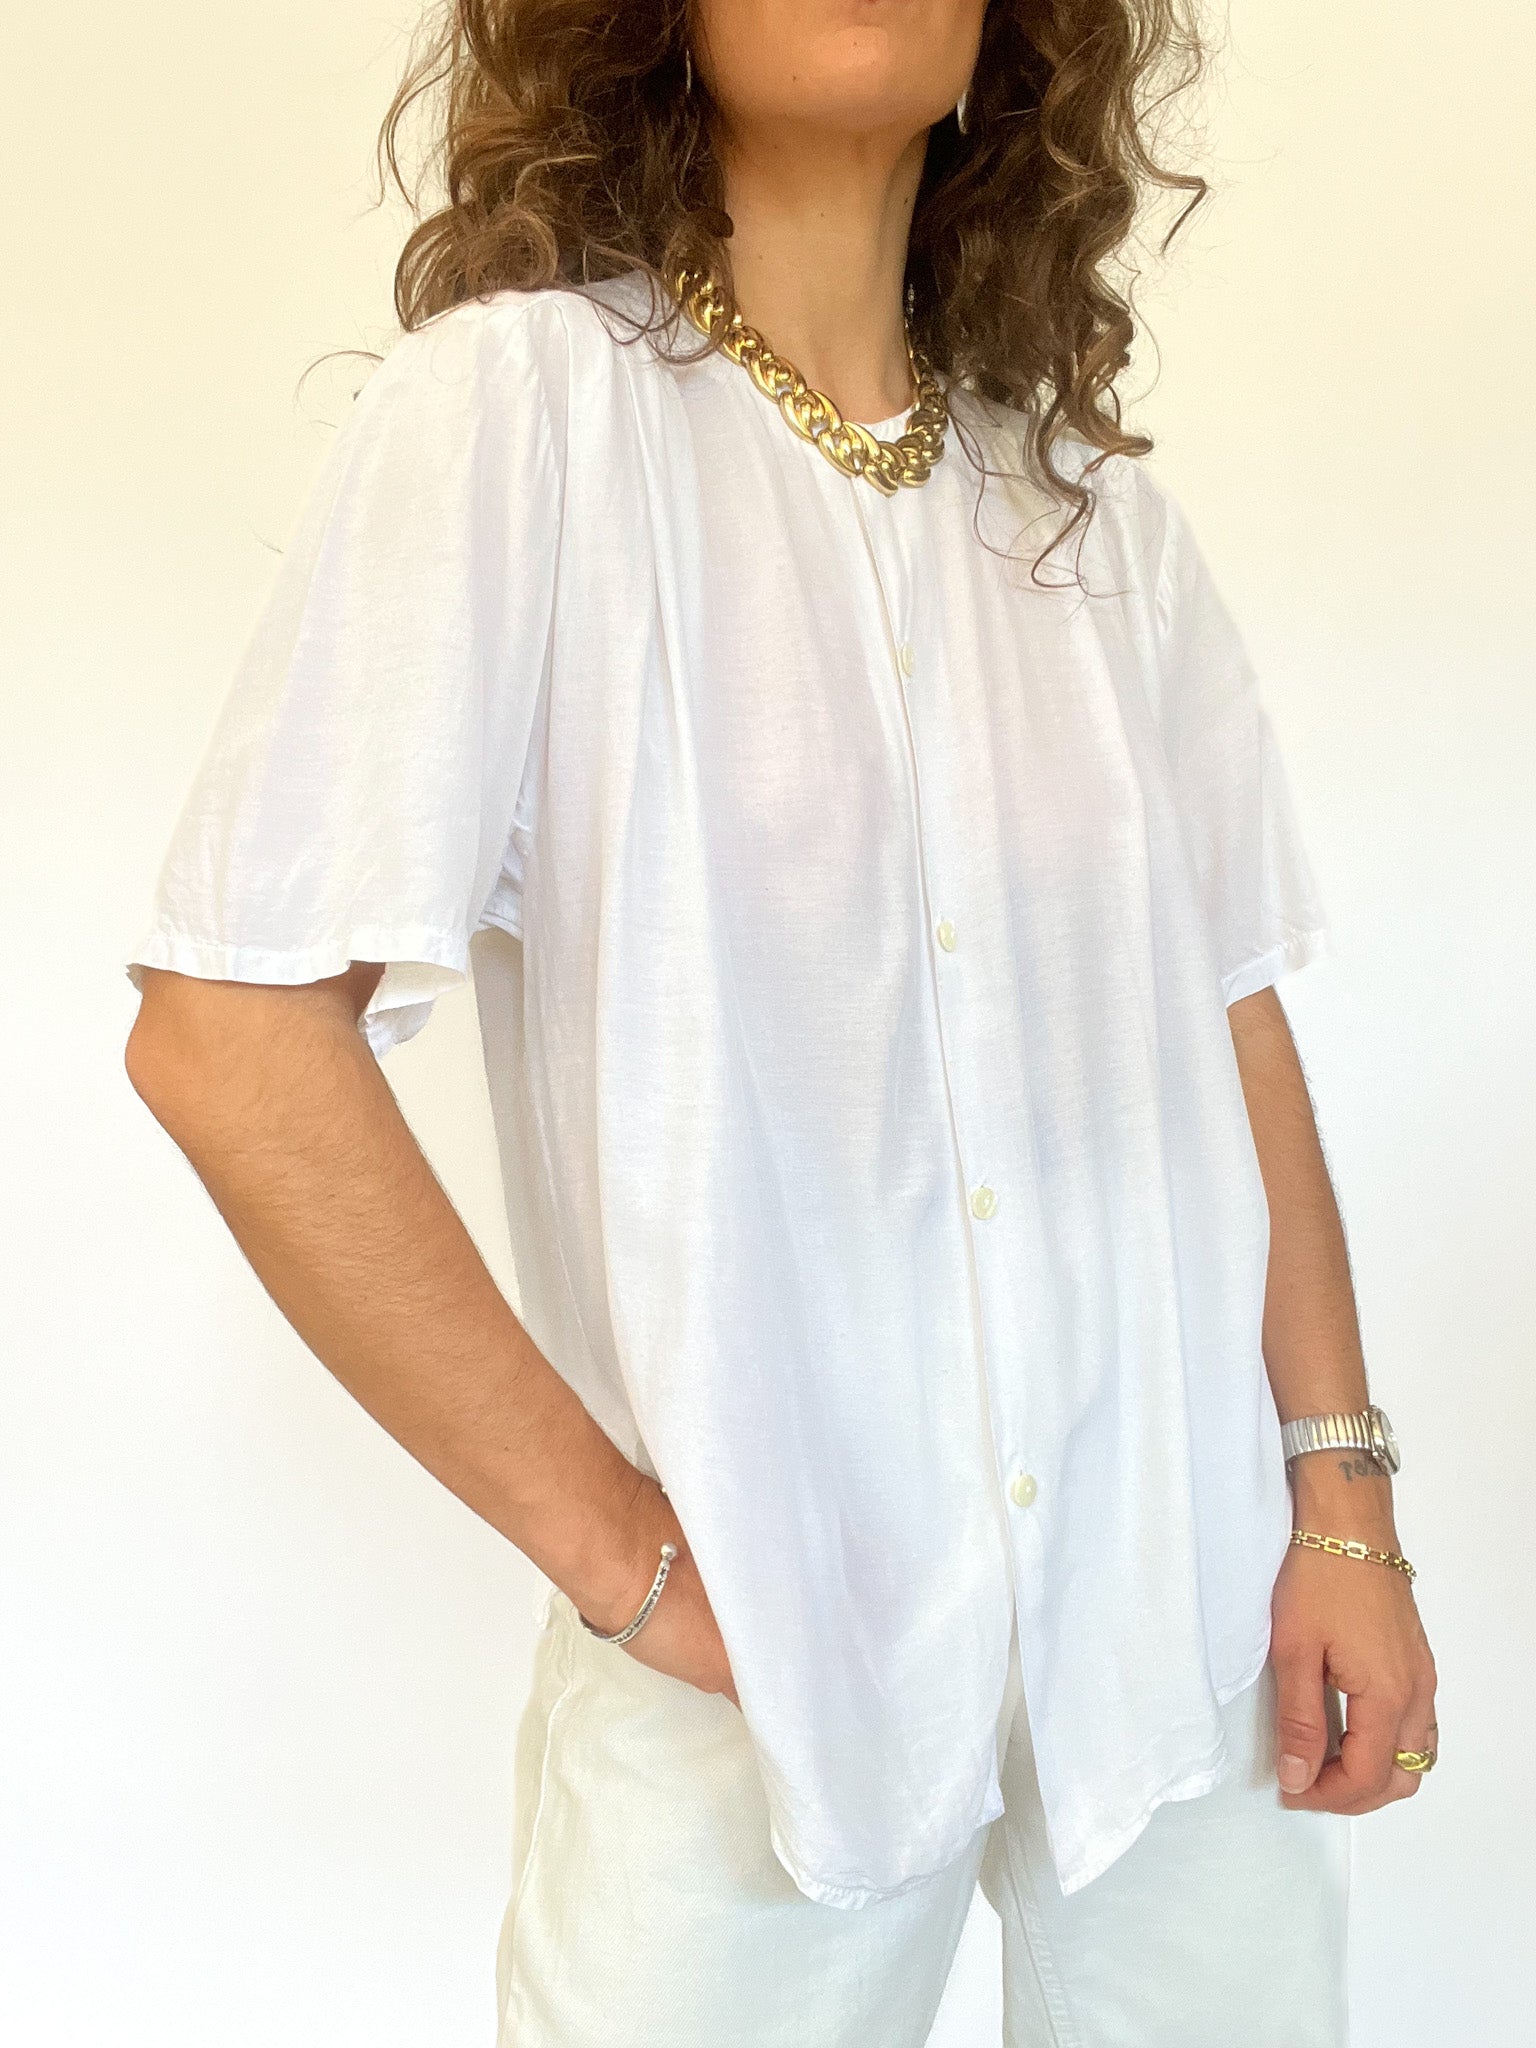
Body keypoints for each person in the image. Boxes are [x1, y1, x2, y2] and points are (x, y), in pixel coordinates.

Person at [123, 3, 1438, 2043]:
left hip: (1180, 1603)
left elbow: (1230, 1025)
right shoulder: (527, 416)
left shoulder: (1090, 521)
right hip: (763, 1660)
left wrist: (1342, 1501)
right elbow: (229, 1036)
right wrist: (629, 1563)